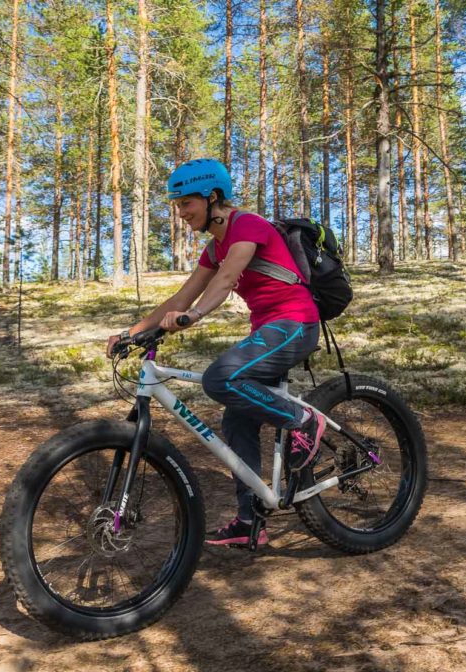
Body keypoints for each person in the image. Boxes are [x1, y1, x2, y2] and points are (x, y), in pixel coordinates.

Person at [106, 158, 324, 548]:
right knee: (237, 422)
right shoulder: (215, 247)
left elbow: (224, 282)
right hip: (267, 331)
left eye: (186, 203)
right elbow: (181, 296)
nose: (181, 213)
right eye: (177, 205)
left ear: (213, 197)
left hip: (295, 325)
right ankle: (250, 519)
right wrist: (131, 332)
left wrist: (193, 316)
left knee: (221, 378)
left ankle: (303, 421)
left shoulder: (248, 226)